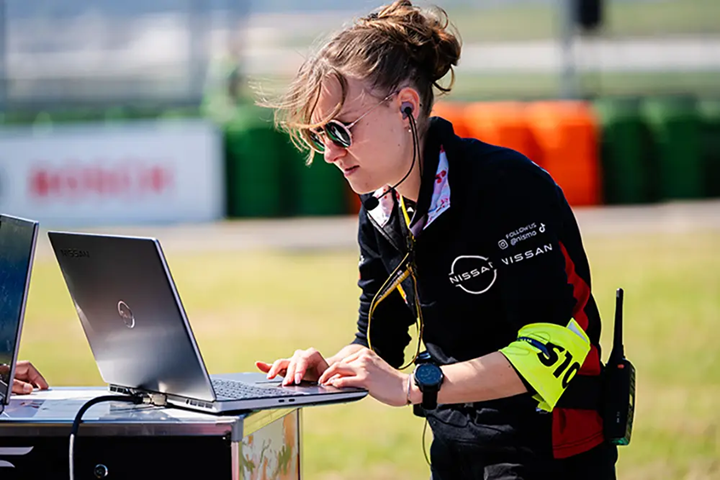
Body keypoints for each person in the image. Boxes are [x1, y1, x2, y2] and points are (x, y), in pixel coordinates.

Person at [256, 1, 617, 478]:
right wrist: (329, 368)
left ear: (407, 107)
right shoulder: (382, 209)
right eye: (320, 134)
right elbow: (378, 345)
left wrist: (414, 386)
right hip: (454, 444)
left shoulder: (506, 187)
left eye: (341, 130)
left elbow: (552, 351)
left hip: (549, 448)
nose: (329, 153)